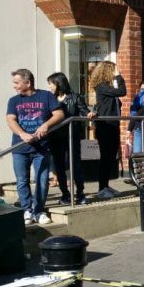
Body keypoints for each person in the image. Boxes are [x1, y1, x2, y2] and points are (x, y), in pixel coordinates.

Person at [7, 68, 64, 225]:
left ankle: (39, 211)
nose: (15, 86)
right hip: (20, 148)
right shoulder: (14, 100)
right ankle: (27, 210)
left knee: (42, 180)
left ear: (28, 82)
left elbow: (59, 115)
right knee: (22, 180)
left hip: (41, 147)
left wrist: (46, 125)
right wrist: (22, 134)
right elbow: (11, 120)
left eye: (17, 83)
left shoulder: (46, 96)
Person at [46, 72, 90, 205]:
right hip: (55, 138)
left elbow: (84, 111)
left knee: (75, 165)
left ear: (59, 83)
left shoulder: (75, 97)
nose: (50, 87)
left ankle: (80, 193)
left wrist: (90, 114)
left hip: (71, 136)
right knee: (59, 167)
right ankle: (65, 194)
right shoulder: (50, 98)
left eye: (51, 84)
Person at [89, 61, 126, 199]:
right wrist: (118, 77)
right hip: (105, 125)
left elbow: (118, 95)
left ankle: (105, 185)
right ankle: (101, 188)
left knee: (111, 156)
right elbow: (122, 91)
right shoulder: (102, 86)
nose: (117, 72)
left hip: (113, 124)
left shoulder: (108, 87)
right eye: (115, 70)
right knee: (106, 156)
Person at [128, 82, 144, 154]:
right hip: (138, 126)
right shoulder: (137, 98)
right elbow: (133, 114)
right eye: (142, 89)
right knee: (137, 151)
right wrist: (129, 129)